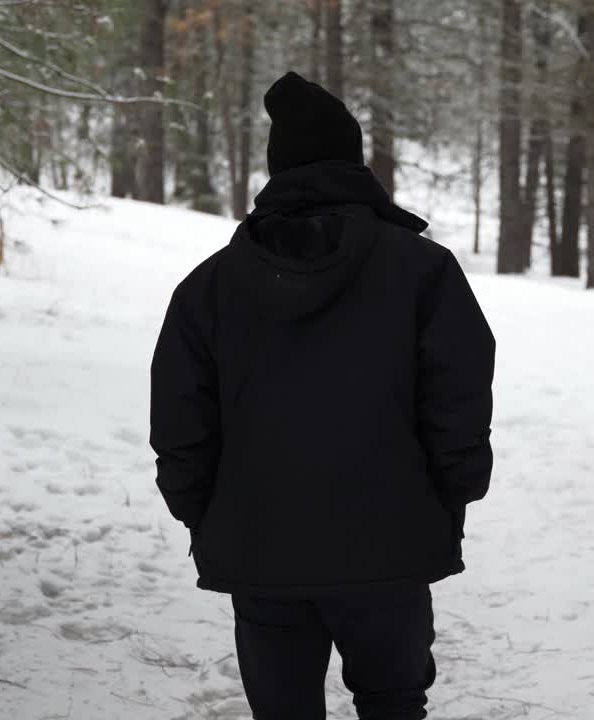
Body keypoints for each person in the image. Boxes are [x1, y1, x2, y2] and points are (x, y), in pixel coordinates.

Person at [150, 71, 495, 720]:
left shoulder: (208, 288)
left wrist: (206, 514)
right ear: (353, 163)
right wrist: (449, 496)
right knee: (394, 705)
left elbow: (179, 424)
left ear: (278, 169)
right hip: (391, 545)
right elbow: (459, 405)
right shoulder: (424, 272)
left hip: (260, 550)